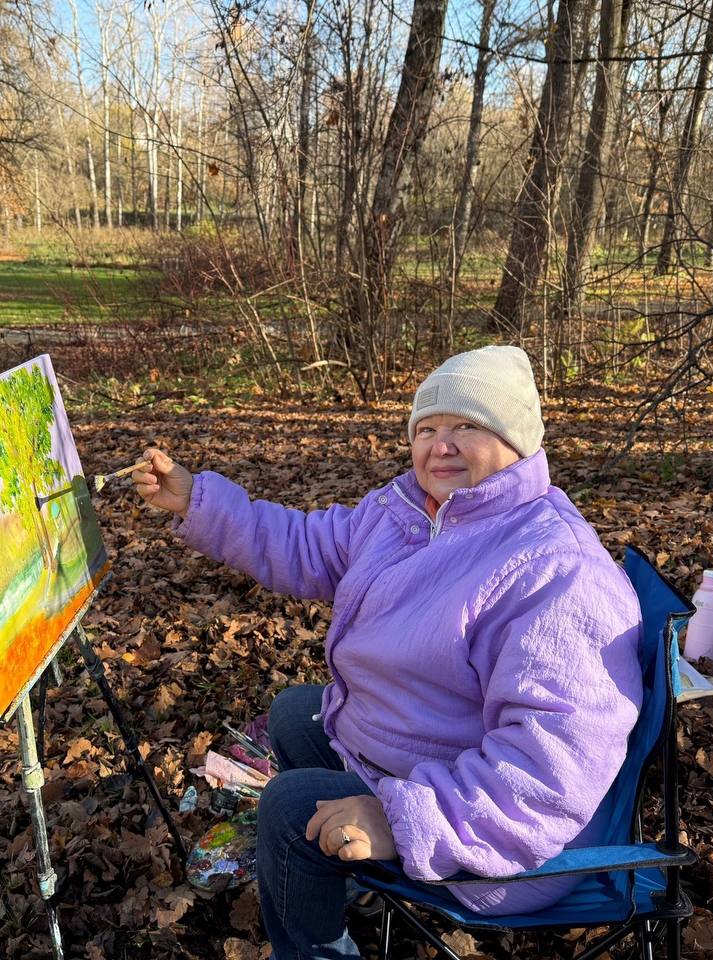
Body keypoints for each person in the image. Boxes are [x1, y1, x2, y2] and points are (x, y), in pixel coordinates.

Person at [132, 345, 643, 959]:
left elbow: (547, 769)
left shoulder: (555, 569)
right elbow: (308, 546)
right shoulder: (409, 514)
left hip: (497, 834)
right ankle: (345, 872)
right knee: (299, 713)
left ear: (517, 442)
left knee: (289, 807)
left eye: (467, 426)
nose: (440, 445)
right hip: (427, 749)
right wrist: (197, 500)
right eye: (427, 428)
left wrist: (402, 820)